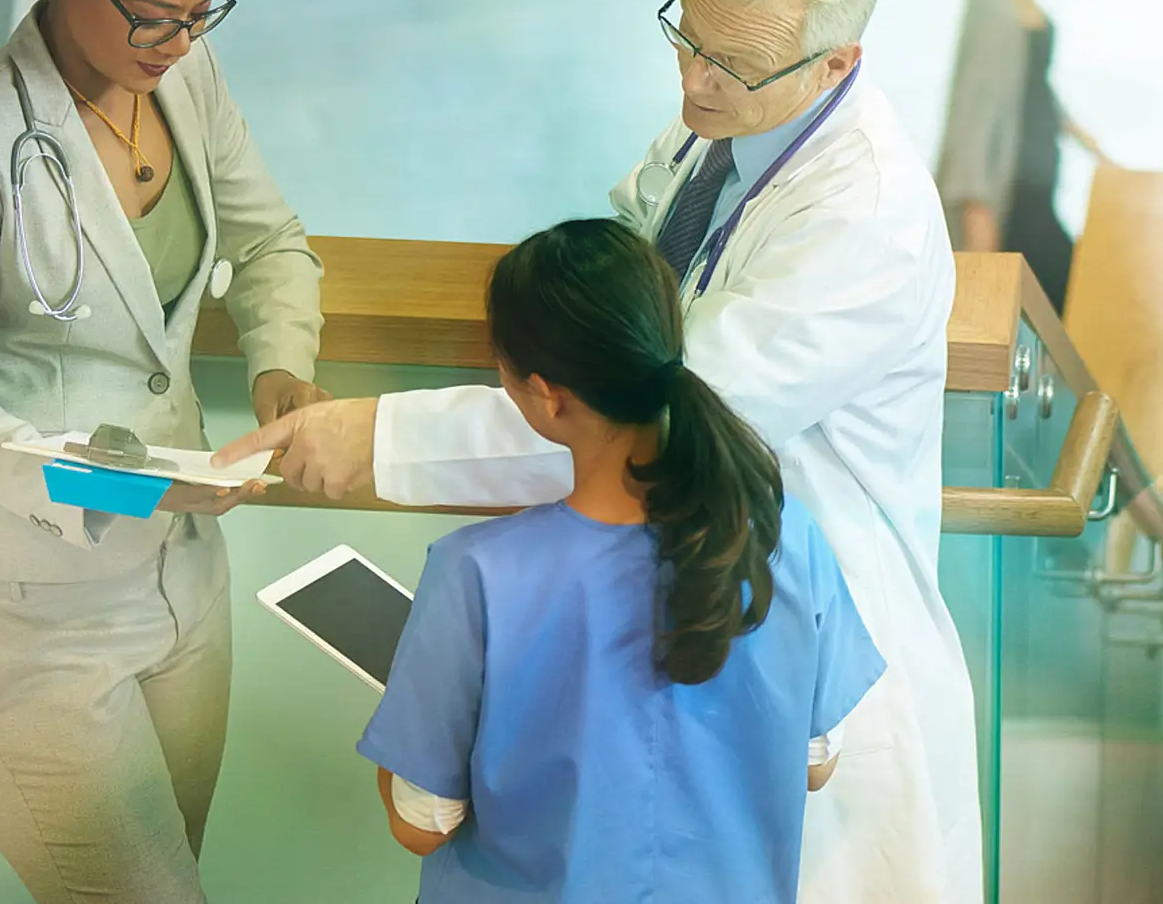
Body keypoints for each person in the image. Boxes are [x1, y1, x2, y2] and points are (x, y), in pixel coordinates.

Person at [219, 0, 984, 902]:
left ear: (836, 63)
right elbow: (636, 247)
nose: (694, 81)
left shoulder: (864, 215)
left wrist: (377, 436)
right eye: (687, 36)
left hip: (777, 628)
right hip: (694, 613)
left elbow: (652, 412)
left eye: (733, 66)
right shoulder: (729, 121)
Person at [0, 0, 325, 903]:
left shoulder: (186, 78)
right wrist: (132, 482)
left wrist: (283, 380)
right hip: (27, 615)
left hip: (181, 590)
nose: (180, 43)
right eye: (153, 17)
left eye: (203, 12)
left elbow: (270, 243)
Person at [360, 219, 885, 902]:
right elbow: (816, 763)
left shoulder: (478, 575)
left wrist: (410, 722)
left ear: (547, 396)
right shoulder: (784, 538)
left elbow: (422, 821)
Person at [936, 0, 1108, 312]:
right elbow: (976, 106)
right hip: (1013, 193)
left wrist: (1079, 134)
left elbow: (1029, 84)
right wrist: (977, 211)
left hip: (1036, 181)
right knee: (1064, 304)